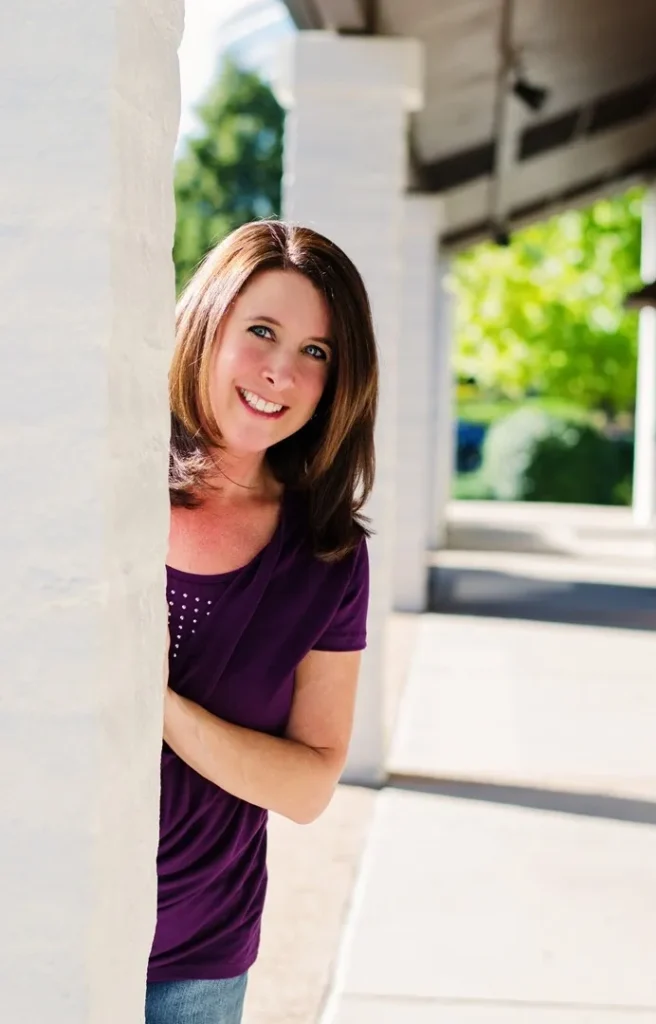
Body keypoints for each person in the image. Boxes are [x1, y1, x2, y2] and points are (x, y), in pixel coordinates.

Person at [145, 220, 378, 1024]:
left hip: (196, 959)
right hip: (38, 921)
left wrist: (163, 709)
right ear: (207, 322)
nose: (280, 371)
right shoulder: (109, 478)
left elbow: (311, 782)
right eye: (262, 331)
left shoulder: (326, 555)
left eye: (315, 352)